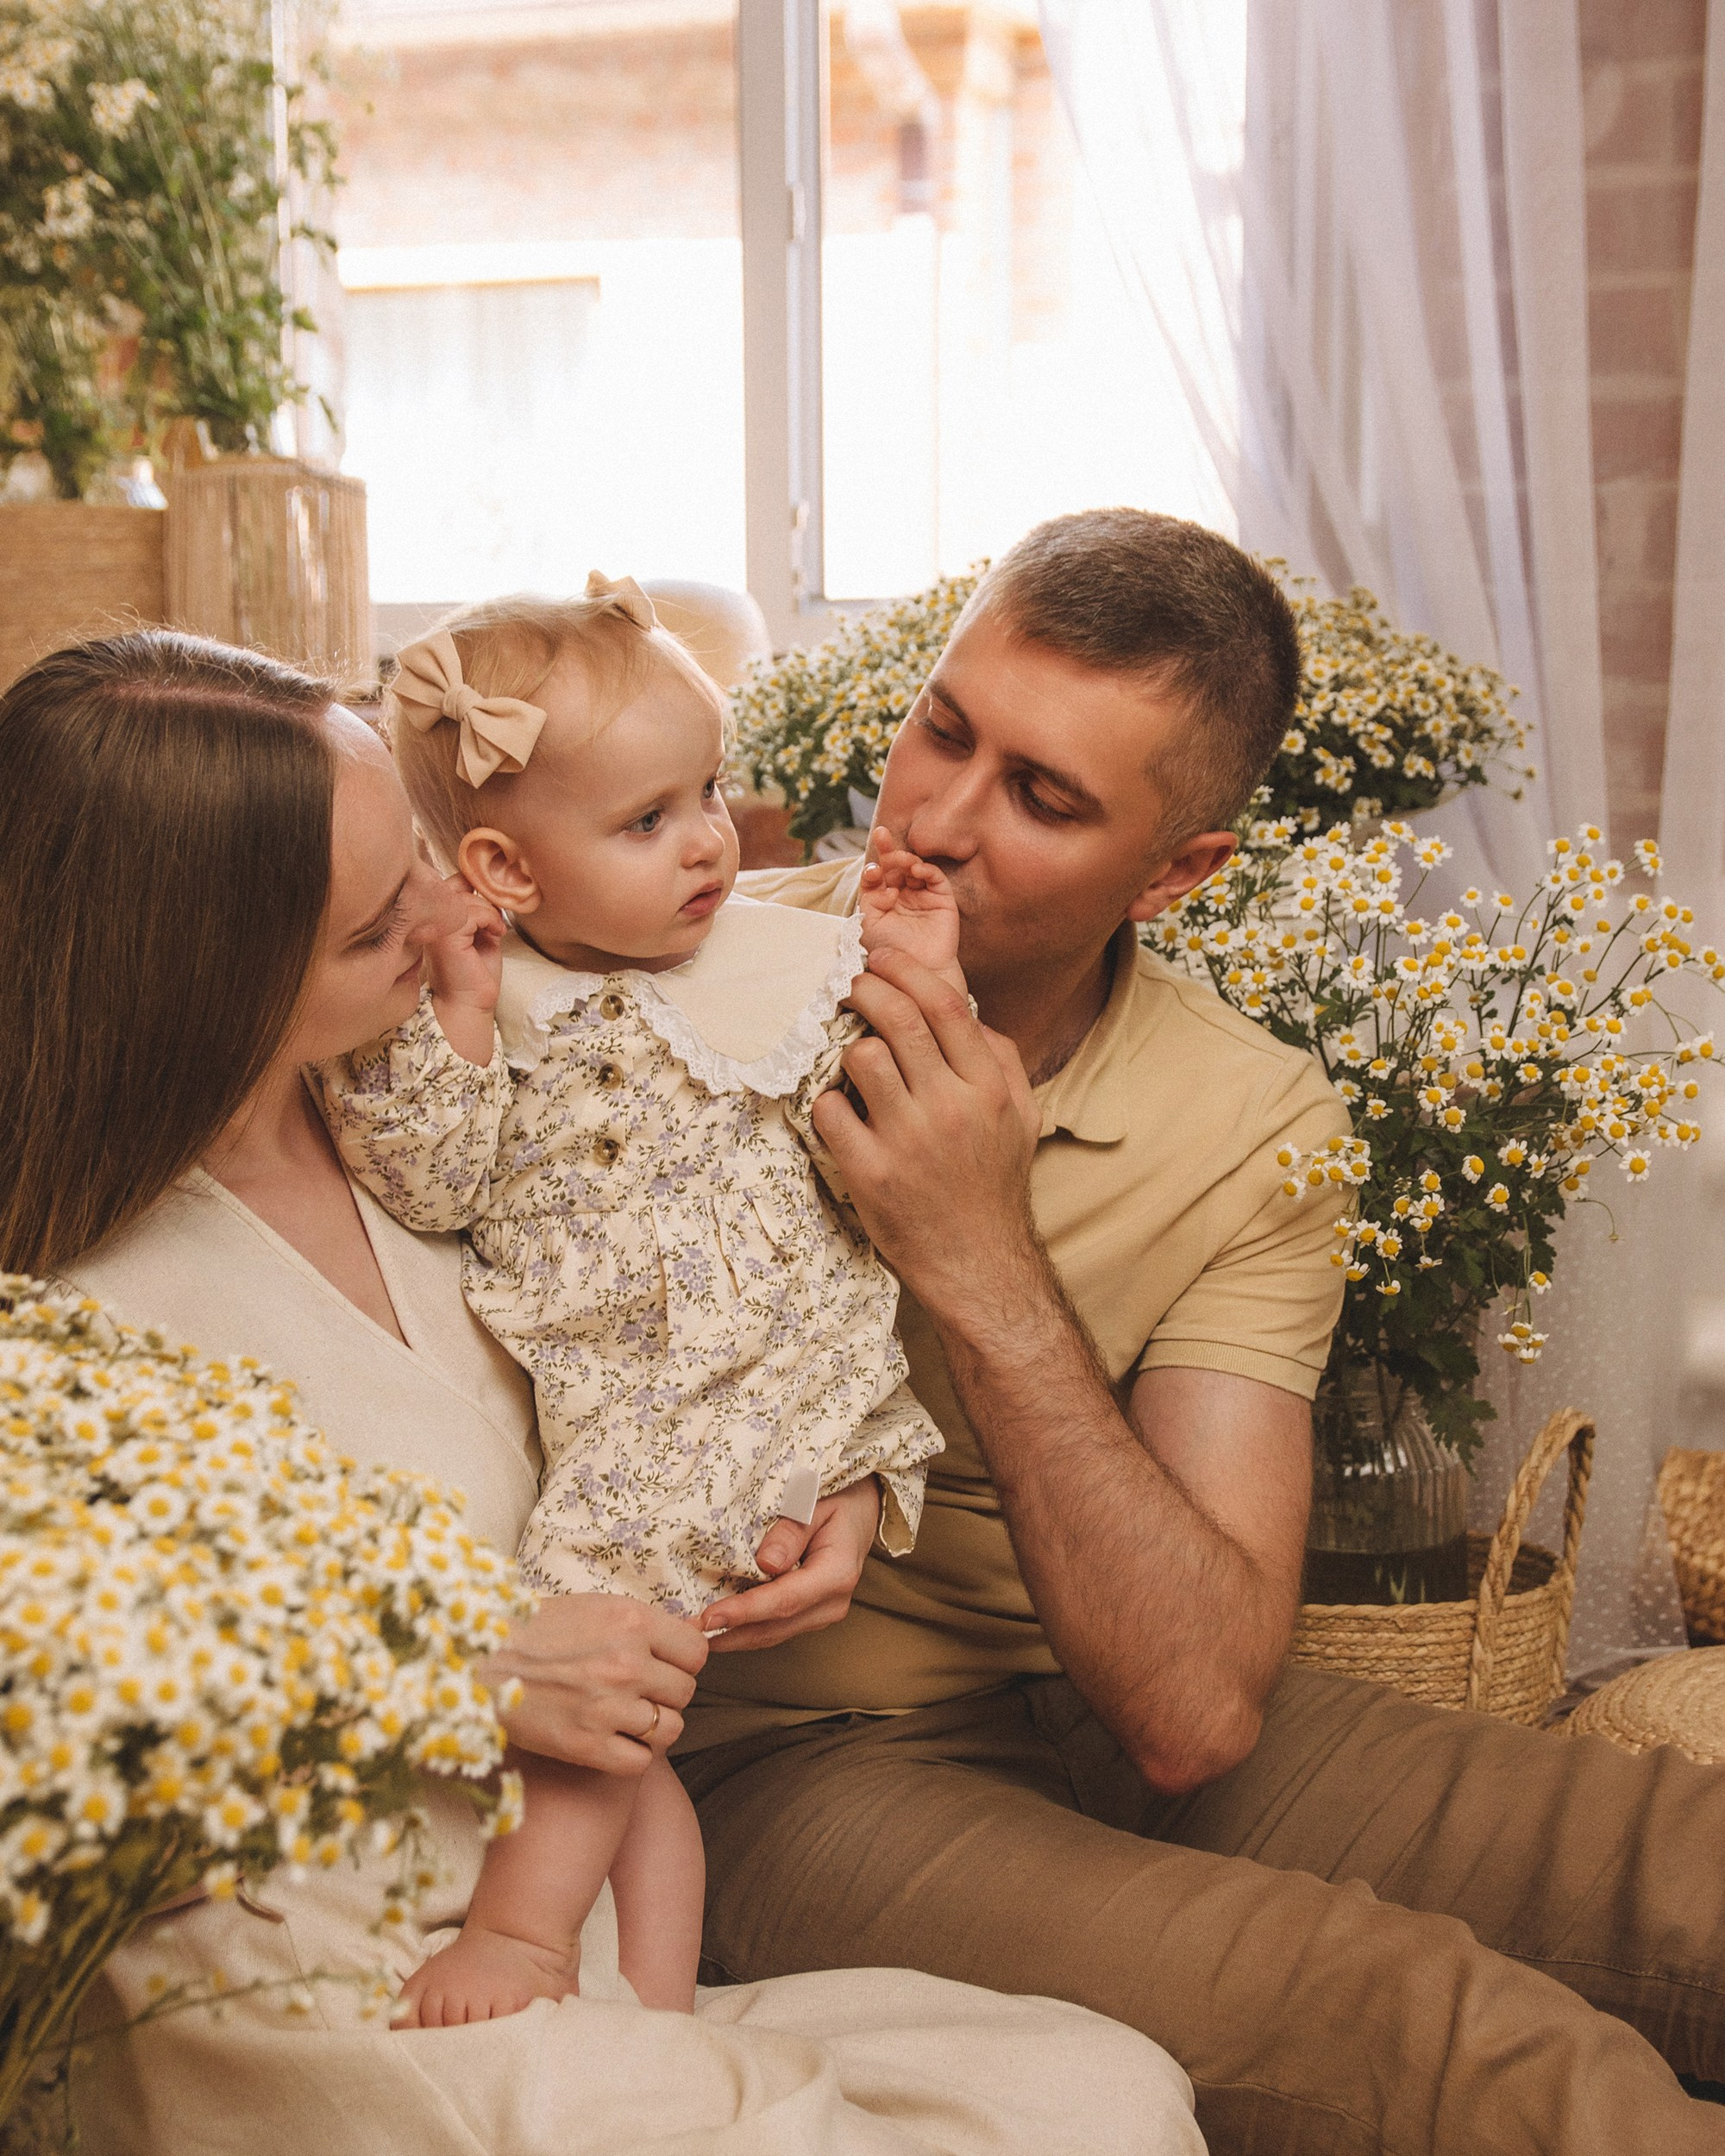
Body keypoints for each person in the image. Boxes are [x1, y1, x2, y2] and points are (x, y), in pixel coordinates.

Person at [0, 627, 1205, 2156]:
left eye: (428, 861)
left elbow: (677, 1320)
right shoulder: (70, 1306)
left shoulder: (442, 1106)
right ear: (214, 980)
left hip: (560, 1917)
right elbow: (51, 1706)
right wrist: (459, 1674)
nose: (458, 914)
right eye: (385, 921)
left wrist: (805, 1469)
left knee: (1104, 2090)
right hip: (297, 1985)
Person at [675, 509, 1725, 2156]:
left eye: (1045, 797)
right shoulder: (679, 988)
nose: (937, 822)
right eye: (945, 728)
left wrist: (982, 1249)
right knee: (1446, 2037)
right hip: (789, 1764)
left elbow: (1192, 1705)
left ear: (1176, 872)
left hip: (1109, 1700)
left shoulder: (1253, 1120)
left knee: (1682, 1871)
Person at [316, 577, 963, 2022]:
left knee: (597, 1678)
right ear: (509, 871)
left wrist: (920, 971)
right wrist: (467, 1020)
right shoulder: (489, 1004)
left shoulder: (782, 970)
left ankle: (523, 1938)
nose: (712, 843)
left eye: (712, 791)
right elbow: (433, 1186)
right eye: (649, 820)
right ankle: (656, 2009)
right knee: (637, 1734)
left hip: (737, 1387)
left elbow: (900, 1147)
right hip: (656, 1407)